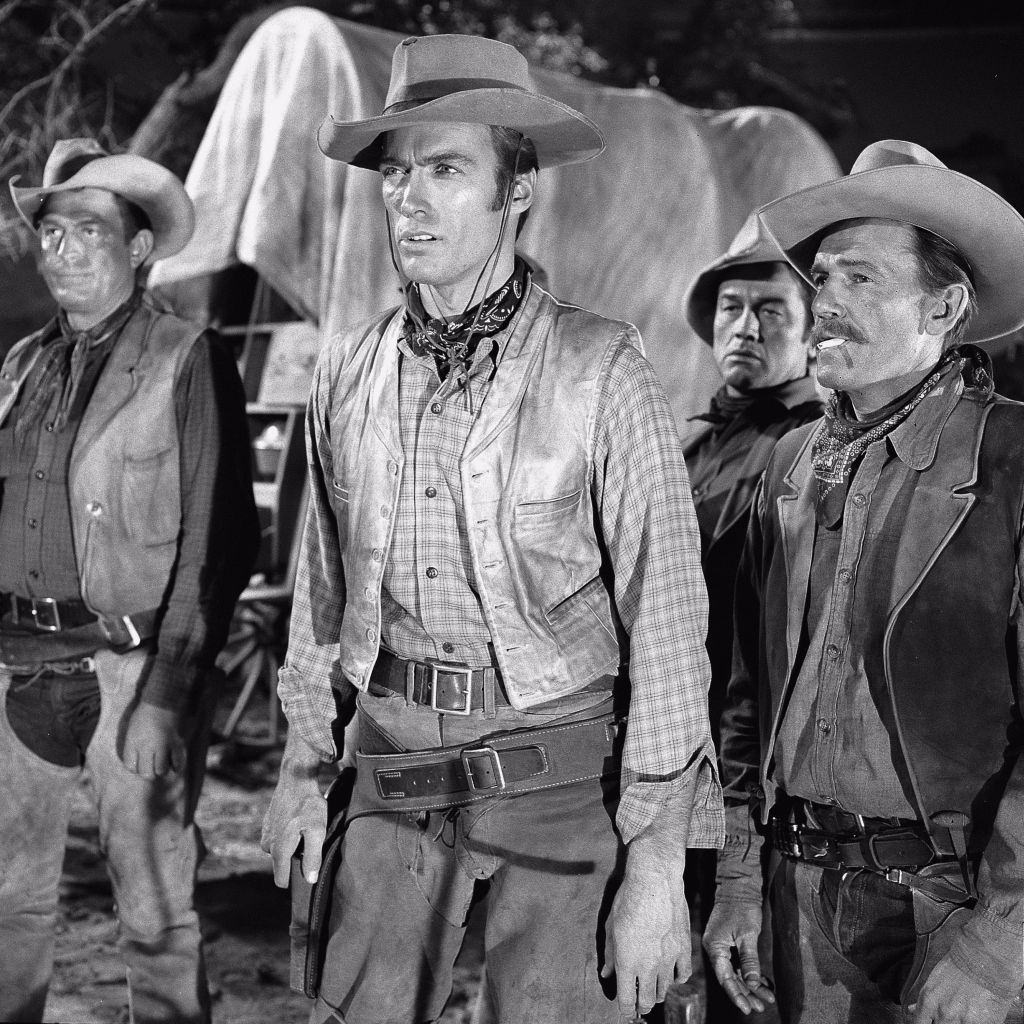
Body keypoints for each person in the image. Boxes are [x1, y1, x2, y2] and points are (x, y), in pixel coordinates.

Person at [260, 32, 723, 1024]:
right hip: (393, 763)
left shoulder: (599, 367)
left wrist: (653, 864)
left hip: (557, 771)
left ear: (516, 190)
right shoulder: (349, 371)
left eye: (445, 169)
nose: (409, 199)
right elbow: (321, 595)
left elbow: (668, 619)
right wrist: (304, 768)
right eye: (396, 174)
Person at [704, 139, 1024, 1024]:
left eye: (863, 280)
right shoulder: (791, 461)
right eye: (823, 280)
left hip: (951, 914)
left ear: (946, 303)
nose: (825, 304)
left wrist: (1003, 938)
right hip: (796, 895)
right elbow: (743, 698)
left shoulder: (1010, 461)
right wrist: (738, 879)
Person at [0, 138, 260, 1023]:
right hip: (17, 663)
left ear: (141, 249)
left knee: (154, 909)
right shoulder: (22, 365)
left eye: (86, 230)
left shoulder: (189, 358)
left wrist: (168, 691)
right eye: (50, 231)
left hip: (129, 670)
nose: (60, 248)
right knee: (9, 903)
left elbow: (218, 541)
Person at [681, 212, 821, 1021]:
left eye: (772, 311)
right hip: (672, 746)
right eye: (732, 306)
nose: (746, 326)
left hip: (756, 765)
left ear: (808, 332)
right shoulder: (693, 443)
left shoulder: (810, 450)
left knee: (747, 980)